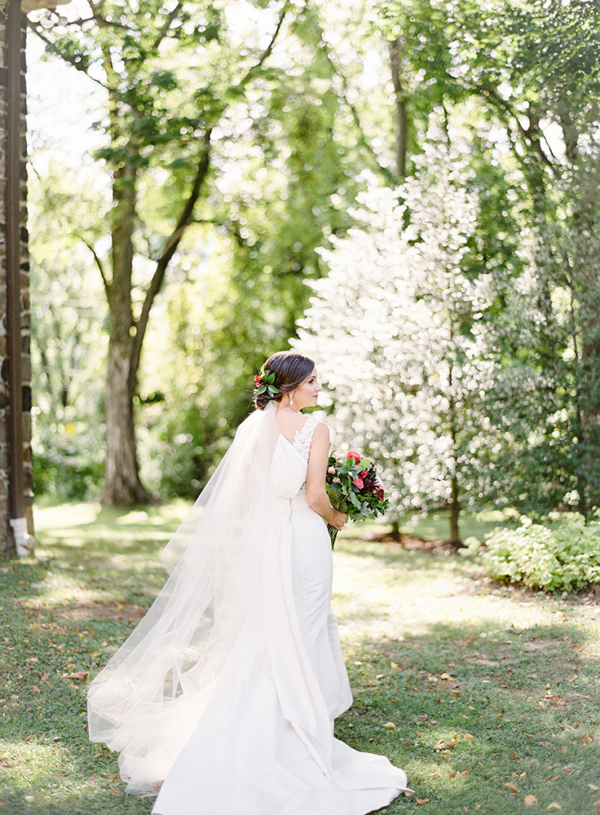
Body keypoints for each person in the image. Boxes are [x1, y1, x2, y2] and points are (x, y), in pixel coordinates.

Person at [87, 350, 408, 814]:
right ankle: (296, 727)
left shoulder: (251, 427)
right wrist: (341, 516)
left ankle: (255, 723)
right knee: (307, 628)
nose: (319, 388)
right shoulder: (315, 430)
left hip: (264, 540)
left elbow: (252, 494)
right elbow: (316, 497)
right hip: (302, 538)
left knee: (265, 630)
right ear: (291, 386)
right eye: (313, 381)